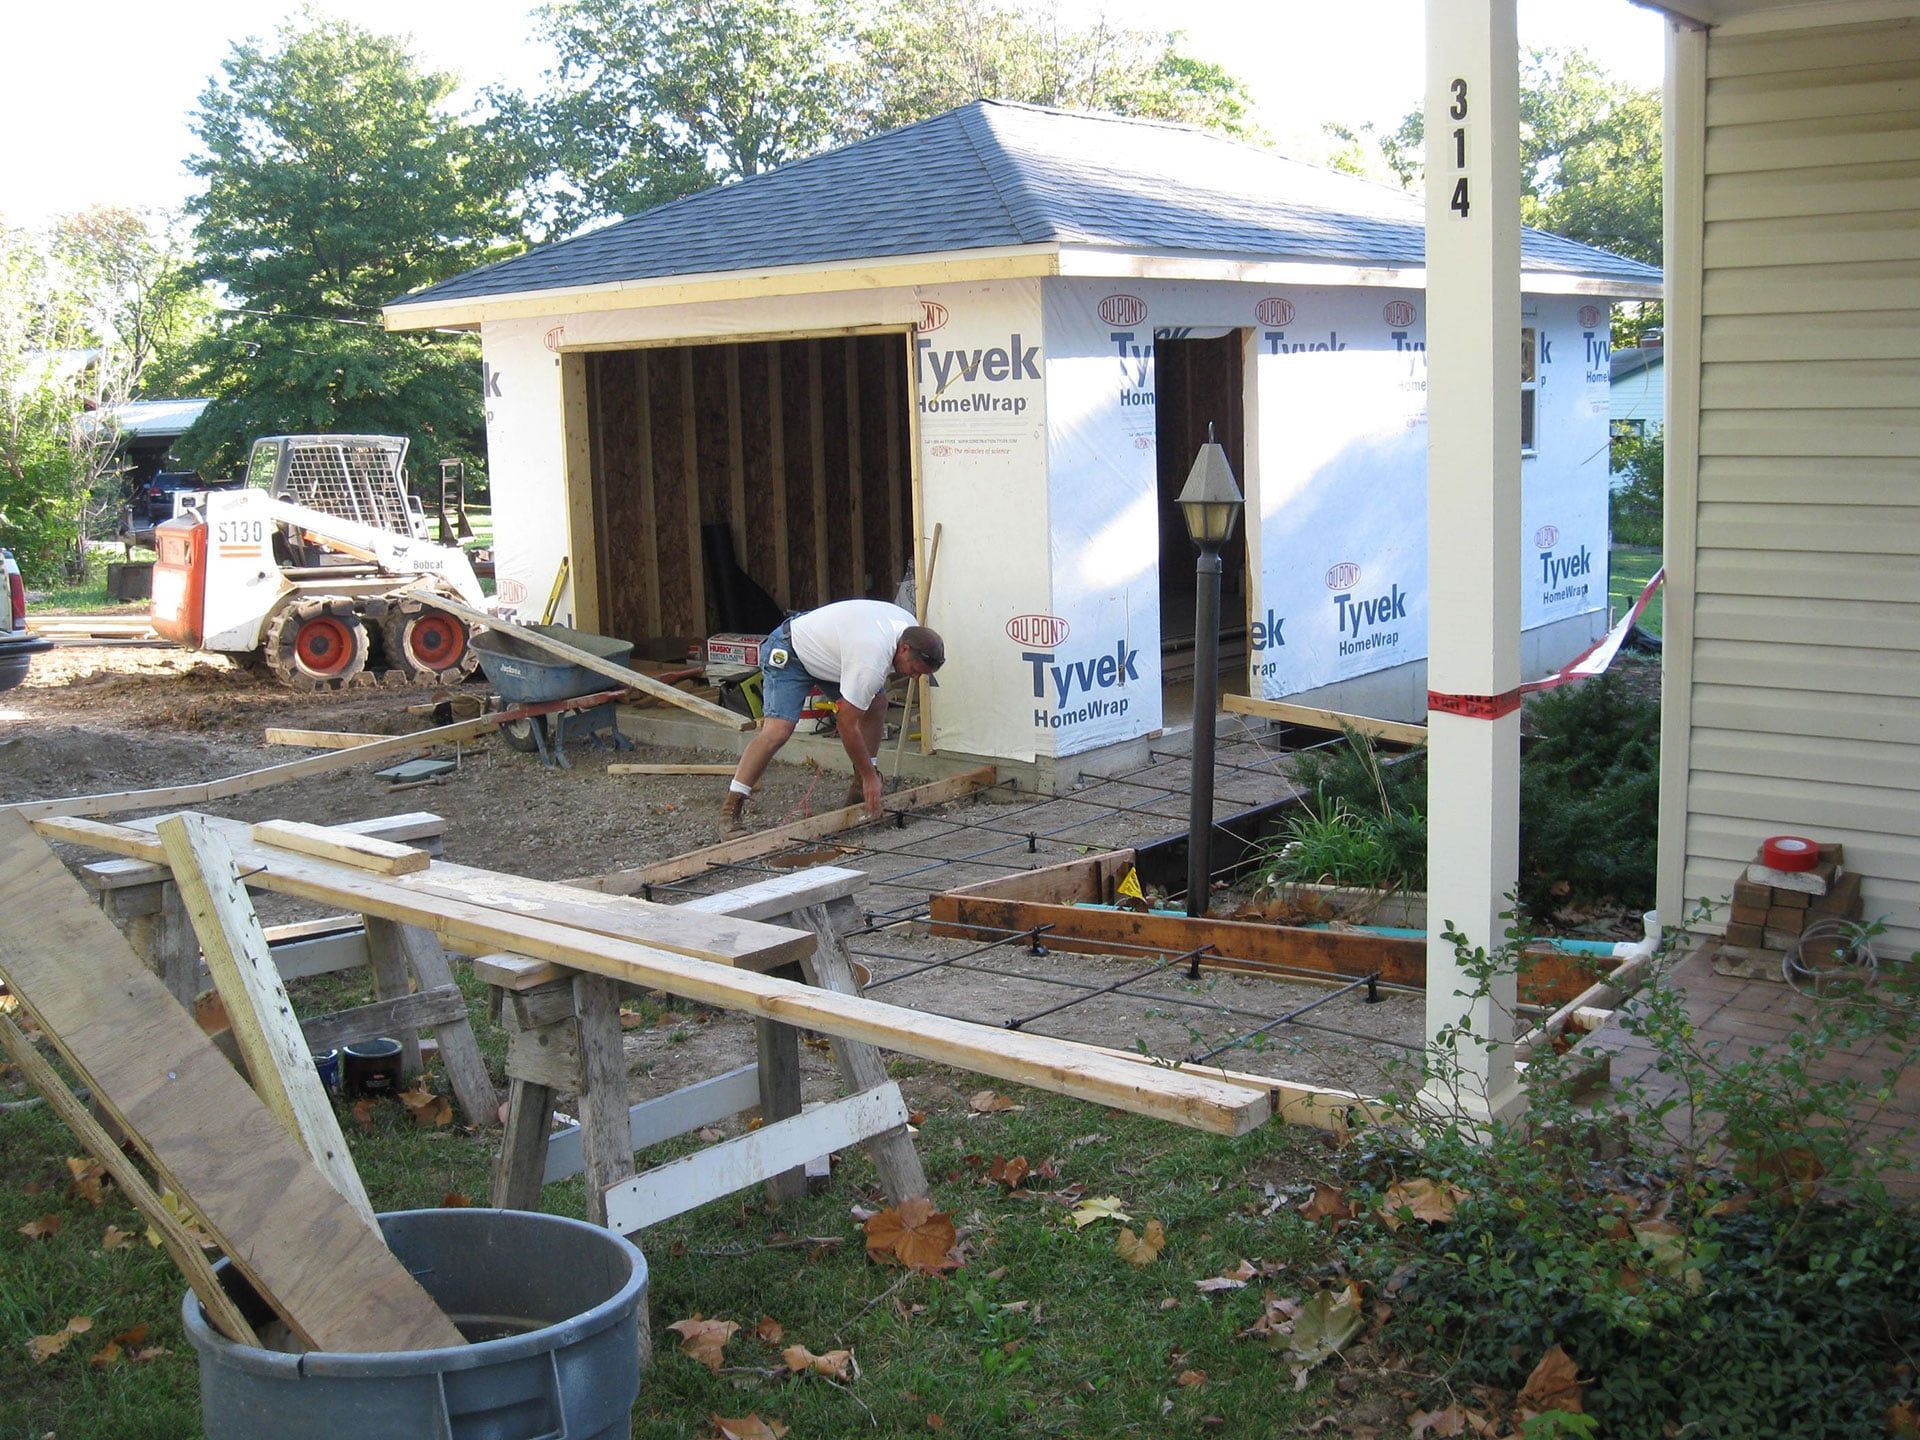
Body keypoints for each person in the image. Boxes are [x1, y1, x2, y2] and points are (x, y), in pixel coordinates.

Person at [721, 599, 944, 832]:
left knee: (877, 703)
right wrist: (870, 775)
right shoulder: (871, 661)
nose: (915, 678)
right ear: (904, 649)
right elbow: (847, 723)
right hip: (792, 650)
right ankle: (731, 809)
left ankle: (861, 788)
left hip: (835, 653)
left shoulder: (910, 630)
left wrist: (867, 772)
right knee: (778, 731)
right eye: (915, 670)